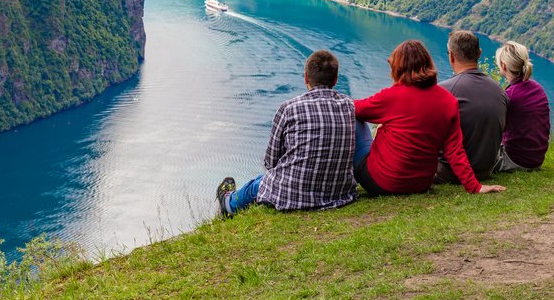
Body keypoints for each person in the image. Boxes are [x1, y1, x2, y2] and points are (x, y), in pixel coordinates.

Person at [352, 39, 505, 197]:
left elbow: (352, 108)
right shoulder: (448, 100)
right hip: (421, 183)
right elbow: (454, 150)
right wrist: (474, 186)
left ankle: (338, 184)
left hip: (382, 183)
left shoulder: (391, 96)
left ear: (399, 67)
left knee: (355, 120)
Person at [216, 49, 357, 217]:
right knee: (264, 180)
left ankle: (228, 203)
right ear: (335, 79)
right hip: (338, 192)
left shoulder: (289, 108)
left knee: (258, 184)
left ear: (305, 77)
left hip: (293, 196)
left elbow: (271, 162)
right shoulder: (349, 106)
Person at [434, 29, 508, 182]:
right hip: (485, 170)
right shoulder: (499, 91)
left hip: (450, 172)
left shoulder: (443, 91)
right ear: (479, 53)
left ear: (451, 56)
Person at [492, 41, 550, 172]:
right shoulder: (538, 88)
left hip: (516, 160)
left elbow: (494, 130)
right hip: (537, 158)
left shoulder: (509, 95)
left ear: (503, 65)